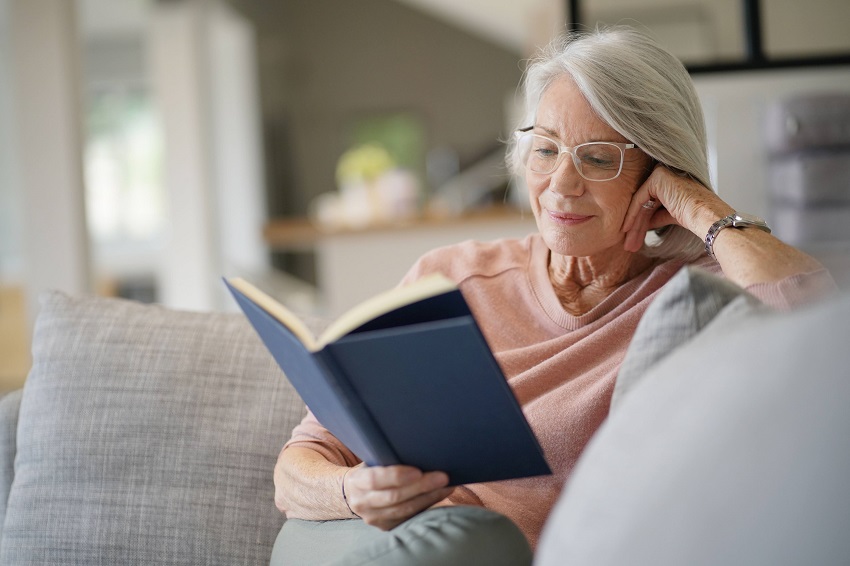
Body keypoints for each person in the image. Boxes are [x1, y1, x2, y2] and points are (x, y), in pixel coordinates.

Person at [269, 26, 836, 565]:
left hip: (483, 553)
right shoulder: (451, 276)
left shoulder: (694, 295)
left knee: (474, 544)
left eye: (596, 157)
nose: (562, 183)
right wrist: (355, 493)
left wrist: (700, 207)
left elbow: (818, 328)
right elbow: (300, 464)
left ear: (659, 171)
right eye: (546, 150)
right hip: (371, 542)